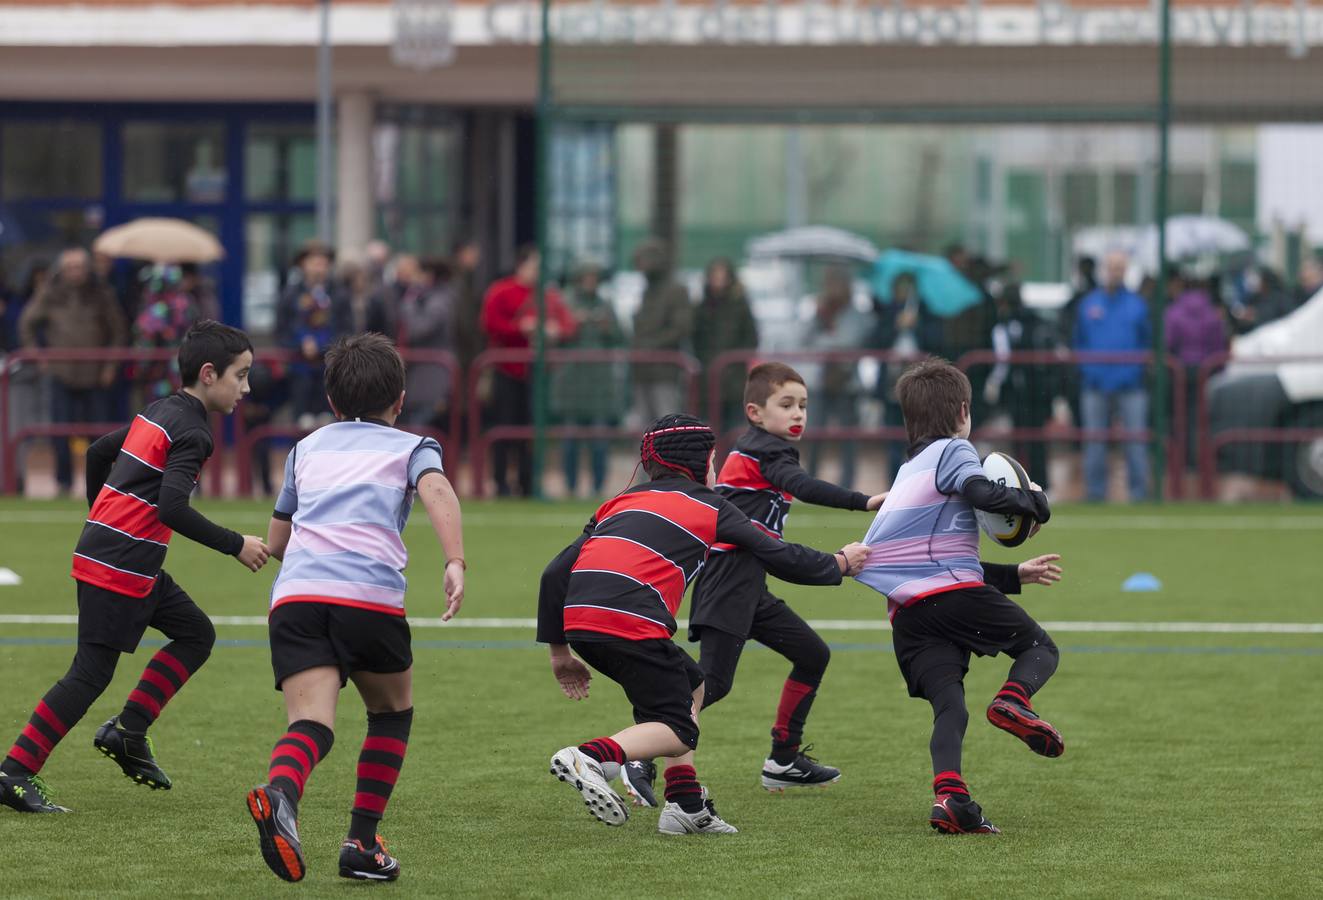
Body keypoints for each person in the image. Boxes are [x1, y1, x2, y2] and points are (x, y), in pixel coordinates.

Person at [537, 414, 869, 835]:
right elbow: (778, 555)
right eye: (714, 460)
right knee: (679, 729)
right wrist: (839, 563)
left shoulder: (617, 503)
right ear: (701, 463)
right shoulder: (709, 505)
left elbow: (553, 574)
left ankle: (685, 804)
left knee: (695, 684)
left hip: (582, 624)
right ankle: (593, 756)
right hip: (632, 624)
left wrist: (559, 654)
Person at [0, 321, 270, 814]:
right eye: (242, 375)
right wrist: (236, 545)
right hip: (121, 566)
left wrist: (100, 517)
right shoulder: (194, 431)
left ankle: (128, 731)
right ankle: (14, 770)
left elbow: (102, 452)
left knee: (195, 634)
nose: (246, 388)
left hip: (121, 558)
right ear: (209, 375)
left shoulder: (161, 409)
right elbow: (172, 508)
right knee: (89, 674)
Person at [245, 333, 465, 882]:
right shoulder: (413, 446)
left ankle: (282, 793)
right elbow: (437, 491)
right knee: (391, 713)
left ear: (332, 401)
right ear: (400, 399)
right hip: (367, 597)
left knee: (312, 724)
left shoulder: (305, 448)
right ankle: (361, 844)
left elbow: (278, 537)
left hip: (296, 596)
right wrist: (455, 560)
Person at [628, 363, 884, 804]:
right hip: (730, 578)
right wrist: (863, 502)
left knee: (812, 654)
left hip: (747, 579)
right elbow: (800, 486)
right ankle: (639, 754)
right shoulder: (769, 450)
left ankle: (783, 759)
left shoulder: (762, 446)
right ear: (755, 411)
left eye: (803, 405)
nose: (797, 414)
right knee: (714, 683)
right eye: (785, 405)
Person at [853, 358, 1060, 835]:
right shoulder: (955, 450)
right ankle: (1014, 699)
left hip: (910, 614)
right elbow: (981, 491)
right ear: (963, 410)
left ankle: (951, 799)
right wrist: (1035, 503)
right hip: (951, 596)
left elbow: (928, 561)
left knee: (951, 706)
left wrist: (1014, 575)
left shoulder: (908, 471)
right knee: (1040, 649)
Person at [19, 248, 130, 496]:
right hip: (61, 372)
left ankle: (102, 485)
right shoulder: (50, 293)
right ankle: (63, 482)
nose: (75, 271)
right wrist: (37, 355)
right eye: (70, 266)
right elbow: (27, 322)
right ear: (62, 269)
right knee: (60, 431)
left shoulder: (102, 293)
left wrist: (110, 365)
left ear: (87, 268)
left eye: (79, 266)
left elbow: (119, 330)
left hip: (95, 374)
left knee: (99, 434)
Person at [478, 244, 576, 497]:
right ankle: (500, 483)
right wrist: (521, 327)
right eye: (534, 265)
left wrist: (555, 330)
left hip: (535, 375)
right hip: (506, 371)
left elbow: (568, 324)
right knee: (503, 427)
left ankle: (526, 482)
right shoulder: (501, 291)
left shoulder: (548, 295)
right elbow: (490, 323)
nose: (537, 271)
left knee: (529, 430)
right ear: (521, 265)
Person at [1073, 249, 1151, 502]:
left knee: (1135, 443)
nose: (1115, 272)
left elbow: (1146, 342)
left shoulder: (1137, 305)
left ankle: (1139, 495)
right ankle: (1095, 495)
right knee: (1094, 443)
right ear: (1104, 269)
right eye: (1111, 267)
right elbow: (1079, 342)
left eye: (1120, 267)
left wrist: (1133, 371)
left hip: (1131, 385)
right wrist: (1090, 370)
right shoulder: (1089, 304)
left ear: (1126, 270)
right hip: (1095, 385)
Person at [552, 261, 627, 496]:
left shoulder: (606, 305)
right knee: (570, 441)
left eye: (594, 277)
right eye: (586, 277)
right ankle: (570, 487)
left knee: (599, 442)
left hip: (599, 385)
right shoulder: (565, 303)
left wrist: (607, 328)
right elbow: (556, 336)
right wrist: (574, 323)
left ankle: (597, 488)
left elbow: (621, 338)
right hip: (571, 382)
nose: (590, 281)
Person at [803, 264, 869, 489]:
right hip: (820, 381)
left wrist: (827, 340)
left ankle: (847, 483)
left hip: (847, 382)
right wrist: (822, 325)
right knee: (814, 433)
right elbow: (804, 340)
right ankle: (809, 481)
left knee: (848, 436)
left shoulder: (856, 314)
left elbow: (850, 340)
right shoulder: (818, 312)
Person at [276, 241, 350, 430]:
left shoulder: (339, 294)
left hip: (330, 371)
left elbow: (347, 329)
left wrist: (326, 346)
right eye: (314, 262)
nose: (319, 268)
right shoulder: (290, 294)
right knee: (302, 425)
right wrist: (300, 344)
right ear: (302, 265)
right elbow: (282, 329)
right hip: (300, 370)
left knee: (330, 424)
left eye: (323, 263)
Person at [1165, 274, 1228, 469]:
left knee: (1179, 416)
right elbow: (1219, 345)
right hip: (1204, 370)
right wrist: (1218, 369)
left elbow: (1168, 342)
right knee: (1199, 418)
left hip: (1180, 370)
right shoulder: (1212, 313)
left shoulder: (1174, 312)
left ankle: (1179, 460)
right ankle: (1197, 461)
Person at [630, 239, 692, 426]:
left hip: (664, 369)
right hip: (642, 369)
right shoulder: (648, 291)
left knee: (666, 423)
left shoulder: (675, 291)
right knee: (645, 425)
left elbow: (682, 328)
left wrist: (651, 345)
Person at [692, 257, 758, 432]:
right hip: (709, 375)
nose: (718, 281)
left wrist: (733, 361)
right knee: (710, 426)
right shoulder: (703, 306)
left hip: (733, 376)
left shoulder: (739, 305)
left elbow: (751, 338)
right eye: (715, 276)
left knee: (733, 427)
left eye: (722, 276)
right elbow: (695, 338)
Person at [398, 257, 455, 429]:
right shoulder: (427, 297)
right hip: (423, 372)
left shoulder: (439, 300)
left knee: (422, 421)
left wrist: (408, 304)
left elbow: (420, 329)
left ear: (428, 276)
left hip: (431, 372)